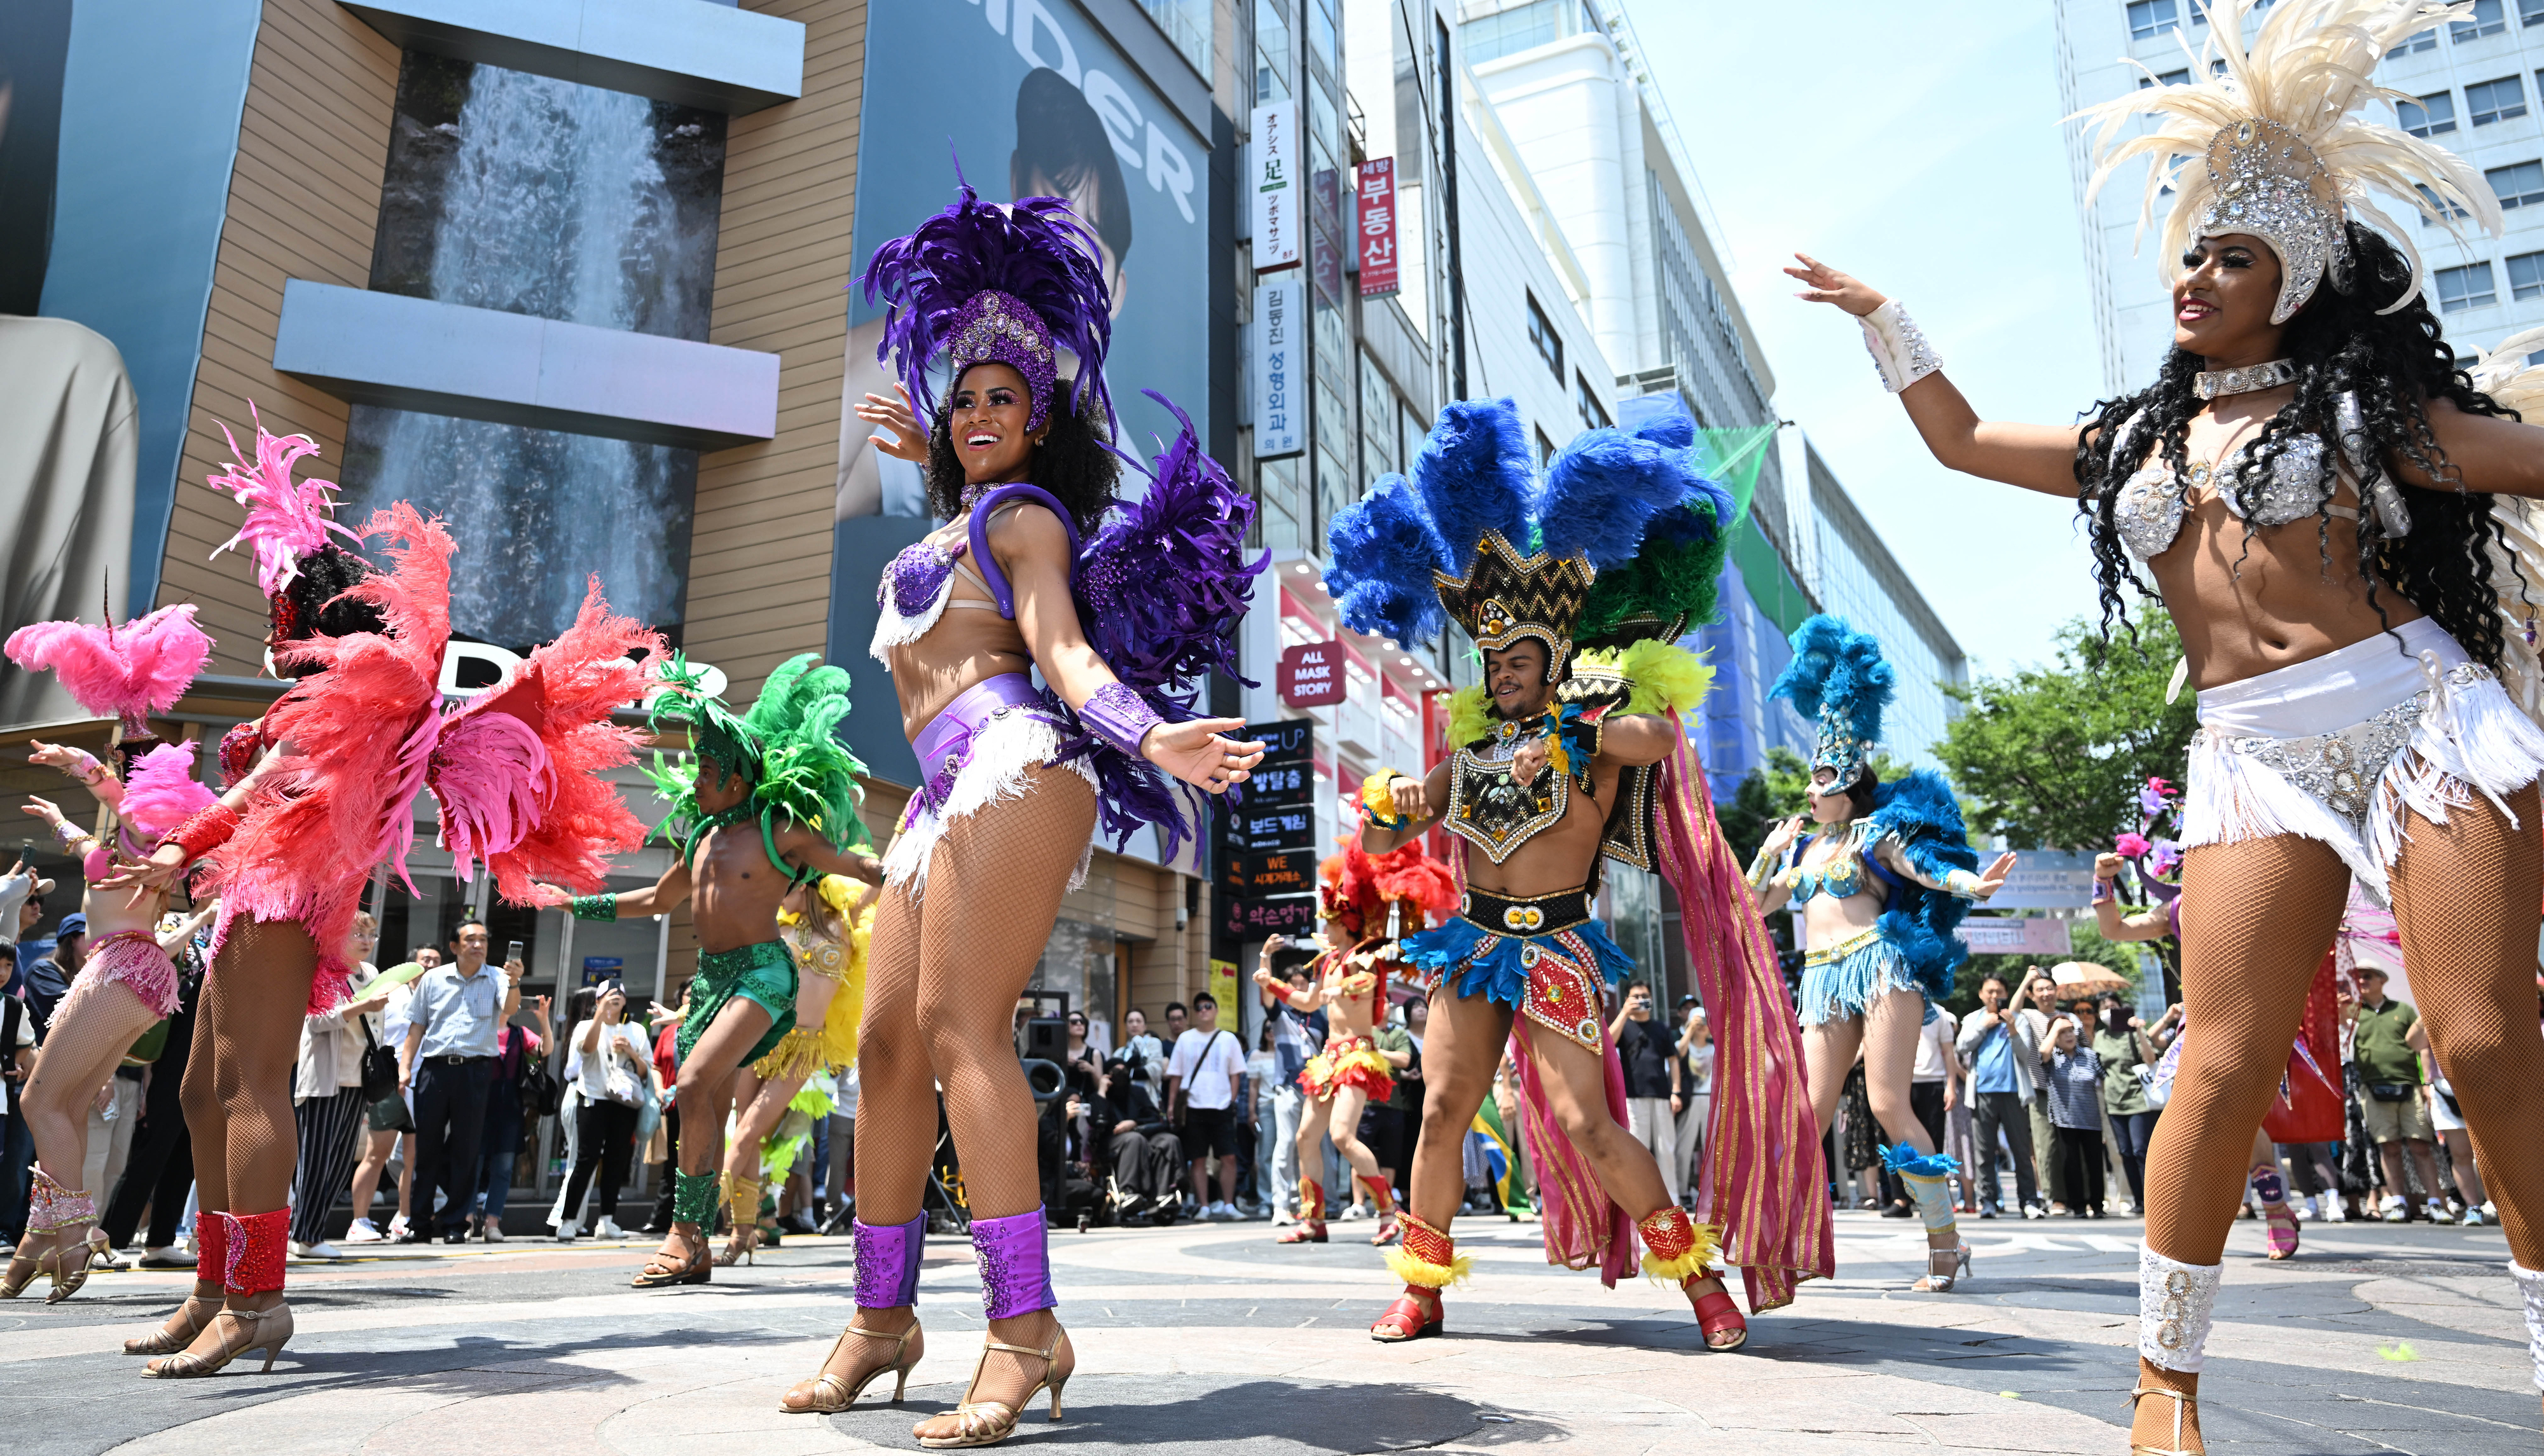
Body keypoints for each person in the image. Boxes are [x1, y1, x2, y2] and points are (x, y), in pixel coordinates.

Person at [1792, 5, 2544, 1443]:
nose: (2197, 275)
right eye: (2192, 252)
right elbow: (1955, 442)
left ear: (2294, 281)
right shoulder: (2134, 442)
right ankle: (2162, 1383)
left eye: (2233, 257)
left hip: (2419, 722)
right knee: (2214, 1058)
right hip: (2250, 749)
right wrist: (1886, 318)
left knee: (2486, 1043)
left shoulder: (2367, 412)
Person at [777, 178, 1262, 1446]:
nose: (982, 409)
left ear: (1039, 422)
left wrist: (1148, 731)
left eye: (1007, 397)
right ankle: (881, 1318)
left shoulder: (1023, 515)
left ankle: (1022, 1329)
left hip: (1018, 758)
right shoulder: (946, 523)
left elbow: (1057, 647)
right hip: (938, 795)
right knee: (882, 1043)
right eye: (966, 396)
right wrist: (919, 466)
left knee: (957, 1029)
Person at [109, 442, 661, 1376]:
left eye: (280, 612)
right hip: (252, 890)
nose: (271, 626)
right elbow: (251, 797)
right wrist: (178, 849)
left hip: (291, 893)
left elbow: (270, 796)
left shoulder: (357, 705)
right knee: (204, 1088)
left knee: (249, 1087)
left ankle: (257, 1297)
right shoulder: (317, 702)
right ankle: (211, 1286)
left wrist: (178, 847)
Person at [1327, 395, 1828, 1350]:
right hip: (1470, 948)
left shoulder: (1592, 737)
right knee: (1440, 1109)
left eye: (1518, 655)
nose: (1501, 668)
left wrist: (1569, 730)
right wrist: (1387, 801)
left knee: (1586, 1122)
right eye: (1493, 656)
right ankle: (1422, 1289)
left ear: (1553, 657)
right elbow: (1401, 825)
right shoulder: (1467, 754)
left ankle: (1701, 1280)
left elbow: (1657, 733)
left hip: (1556, 943)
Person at [551, 657, 883, 1285]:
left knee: (696, 1079)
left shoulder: (774, 828)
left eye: (708, 767)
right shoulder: (700, 834)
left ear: (737, 773)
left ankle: (682, 1235)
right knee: (698, 1099)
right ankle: (702, 1243)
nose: (695, 776)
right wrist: (568, 900)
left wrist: (894, 870)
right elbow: (654, 901)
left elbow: (847, 861)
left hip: (763, 971)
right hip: (710, 979)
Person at [1750, 615, 2013, 1286]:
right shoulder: (1803, 848)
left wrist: (1970, 881)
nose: (1810, 791)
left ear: (1850, 782)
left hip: (1878, 965)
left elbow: (1924, 865)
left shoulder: (1873, 833)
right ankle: (1792, 1246)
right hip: (1819, 978)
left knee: (1889, 1102)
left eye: (1822, 779)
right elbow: (1752, 907)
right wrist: (1766, 853)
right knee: (1809, 1111)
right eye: (1810, 781)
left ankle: (1945, 1243)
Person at [1257, 840, 1451, 1244]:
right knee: (1305, 1136)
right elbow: (1309, 1000)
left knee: (1342, 1135)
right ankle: (1313, 1219)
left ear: (1345, 924)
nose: (1323, 929)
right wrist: (1270, 980)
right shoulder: (1327, 962)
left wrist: (1336, 991)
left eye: (1329, 922)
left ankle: (1388, 1213)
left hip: (1358, 1056)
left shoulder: (1365, 958)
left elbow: (1362, 985)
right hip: (1329, 1057)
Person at [717, 874, 873, 1263]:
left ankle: (698, 1213)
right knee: (744, 1131)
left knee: (752, 1127)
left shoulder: (844, 921)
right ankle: (742, 1231)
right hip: (762, 1036)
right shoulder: (777, 927)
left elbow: (880, 875)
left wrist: (911, 818)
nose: (776, 898)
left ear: (803, 887)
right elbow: (745, 984)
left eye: (781, 889)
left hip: (806, 1047)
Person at [396, 924, 524, 1244]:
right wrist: (405, 1067)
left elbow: (509, 1009)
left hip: (476, 1072)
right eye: (470, 939)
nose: (478, 944)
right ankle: (420, 1223)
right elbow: (417, 1026)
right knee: (426, 1149)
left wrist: (515, 981)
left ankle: (456, 1224)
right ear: (455, 946)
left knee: (467, 1150)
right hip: (435, 1070)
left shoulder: (497, 977)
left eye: (483, 939)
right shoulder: (433, 979)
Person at [289, 916, 391, 1259]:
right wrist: (363, 1005)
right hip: (326, 1077)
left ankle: (313, 1232)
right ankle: (305, 1235)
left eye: (371, 934)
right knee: (315, 1159)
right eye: (357, 934)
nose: (365, 940)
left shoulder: (373, 974)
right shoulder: (325, 970)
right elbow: (316, 1020)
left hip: (359, 1079)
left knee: (340, 1159)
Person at [557, 980, 656, 1239]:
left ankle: (607, 1220)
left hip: (623, 1102)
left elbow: (646, 1071)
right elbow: (586, 1050)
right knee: (586, 1158)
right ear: (598, 1000)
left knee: (617, 1159)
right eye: (609, 995)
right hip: (592, 1097)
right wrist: (600, 1017)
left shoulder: (636, 1031)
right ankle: (568, 1221)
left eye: (620, 994)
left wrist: (632, 1053)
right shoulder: (586, 1026)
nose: (616, 998)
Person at [2352, 965, 2445, 1225]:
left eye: (2367, 976)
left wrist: (2427, 1083)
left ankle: (2436, 1204)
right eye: (2357, 977)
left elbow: (2422, 1047)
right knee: (2388, 1146)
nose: (2361, 980)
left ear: (2382, 980)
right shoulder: (2352, 1010)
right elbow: (2332, 1028)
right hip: (2372, 1087)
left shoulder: (2402, 1009)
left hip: (2410, 1086)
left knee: (2420, 1145)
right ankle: (2398, 1203)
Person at [1956, 974, 2044, 1219]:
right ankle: (1989, 1202)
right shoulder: (1973, 1019)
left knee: (2020, 1150)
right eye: (1990, 991)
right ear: (1982, 994)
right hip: (1982, 1093)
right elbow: (1962, 1046)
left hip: (2013, 1093)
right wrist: (1984, 1027)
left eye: (1999, 991)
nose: (1994, 996)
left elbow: (2026, 1054)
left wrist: (2012, 1030)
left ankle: (2029, 1201)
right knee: (1984, 1152)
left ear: (2006, 993)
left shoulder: (2019, 1019)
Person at [471, 986, 550, 1242]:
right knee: (473, 1165)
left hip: (510, 1107)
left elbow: (544, 1051)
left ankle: (492, 1222)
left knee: (503, 1168)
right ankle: (466, 1218)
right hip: (479, 1105)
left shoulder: (519, 1033)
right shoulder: (479, 1028)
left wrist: (544, 1021)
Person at [1165, 991, 1249, 1222]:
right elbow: (1176, 1075)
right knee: (1198, 1158)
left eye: (1208, 1006)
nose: (1204, 1010)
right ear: (1195, 1012)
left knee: (1229, 1157)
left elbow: (1236, 1074)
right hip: (1194, 1105)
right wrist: (1172, 1105)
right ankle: (1203, 1205)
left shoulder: (1228, 1039)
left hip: (1221, 1106)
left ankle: (1229, 1204)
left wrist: (1231, 1101)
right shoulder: (1186, 1039)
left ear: (1216, 1010)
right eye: (1199, 1007)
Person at [2090, 993, 2169, 1217]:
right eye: (2104, 1007)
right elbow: (2098, 1066)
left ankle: (2153, 1199)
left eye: (2113, 1007)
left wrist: (2139, 1031)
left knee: (2141, 1150)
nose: (2109, 1011)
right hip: (2114, 1102)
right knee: (2125, 1152)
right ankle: (2139, 1200)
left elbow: (2150, 1059)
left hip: (2138, 1100)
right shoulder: (2100, 1036)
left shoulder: (2132, 1033)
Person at [1610, 983, 1683, 1205]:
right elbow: (1608, 1042)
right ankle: (1640, 1201)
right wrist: (1624, 1012)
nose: (1641, 1000)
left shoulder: (1661, 1028)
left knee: (1666, 1152)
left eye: (1645, 996)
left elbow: (1673, 1059)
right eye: (1636, 996)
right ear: (1627, 999)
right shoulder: (1625, 1026)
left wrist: (1676, 1091)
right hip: (1633, 1098)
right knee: (1638, 1150)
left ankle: (1671, 1201)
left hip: (1662, 1096)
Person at [2038, 1015, 2108, 1218]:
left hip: (2092, 1120)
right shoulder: (2053, 1058)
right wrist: (2055, 1028)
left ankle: (2097, 1206)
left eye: (2071, 1031)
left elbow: (2104, 1081)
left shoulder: (2089, 1055)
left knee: (2095, 1164)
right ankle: (2077, 1207)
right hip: (2065, 1120)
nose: (2068, 1035)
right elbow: (2043, 1051)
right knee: (2071, 1164)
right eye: (2063, 1032)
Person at [1673, 1003, 1712, 1211]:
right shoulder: (1684, 1044)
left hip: (1711, 1101)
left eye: (1705, 1021)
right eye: (1699, 1021)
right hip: (1691, 1100)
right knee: (1683, 1148)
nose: (1702, 1026)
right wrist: (1690, 1028)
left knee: (1712, 1149)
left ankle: (1712, 1193)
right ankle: (1683, 1192)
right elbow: (1677, 1053)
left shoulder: (1715, 1048)